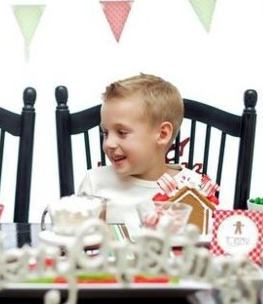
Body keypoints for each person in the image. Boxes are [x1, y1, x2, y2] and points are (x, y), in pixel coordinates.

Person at [78, 73, 210, 229]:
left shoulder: (193, 187)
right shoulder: (95, 184)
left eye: (122, 132)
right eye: (105, 133)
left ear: (162, 134)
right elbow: (77, 244)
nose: (109, 143)